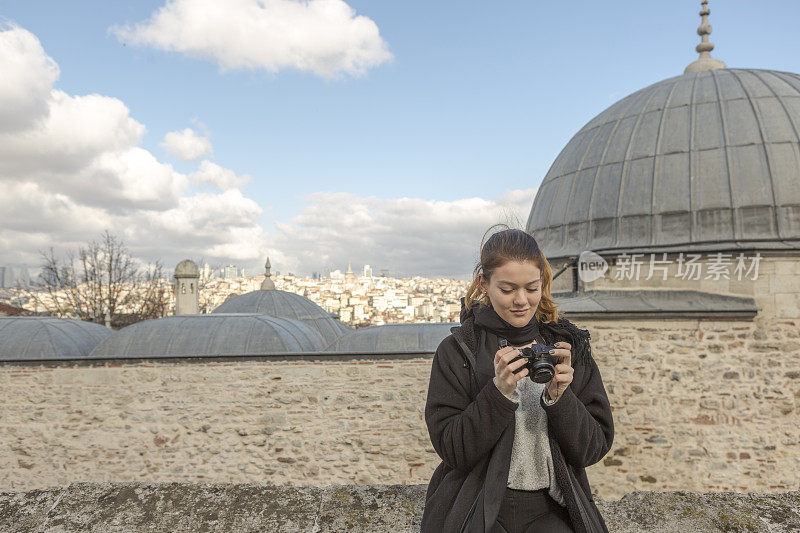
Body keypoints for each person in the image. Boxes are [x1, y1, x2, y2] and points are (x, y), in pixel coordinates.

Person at [420, 226, 613, 533]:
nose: (521, 300)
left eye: (532, 288)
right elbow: (454, 450)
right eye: (507, 290)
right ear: (484, 284)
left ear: (543, 283)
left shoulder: (568, 345)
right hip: (476, 508)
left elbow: (593, 448)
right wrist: (498, 393)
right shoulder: (459, 351)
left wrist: (561, 399)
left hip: (554, 508)